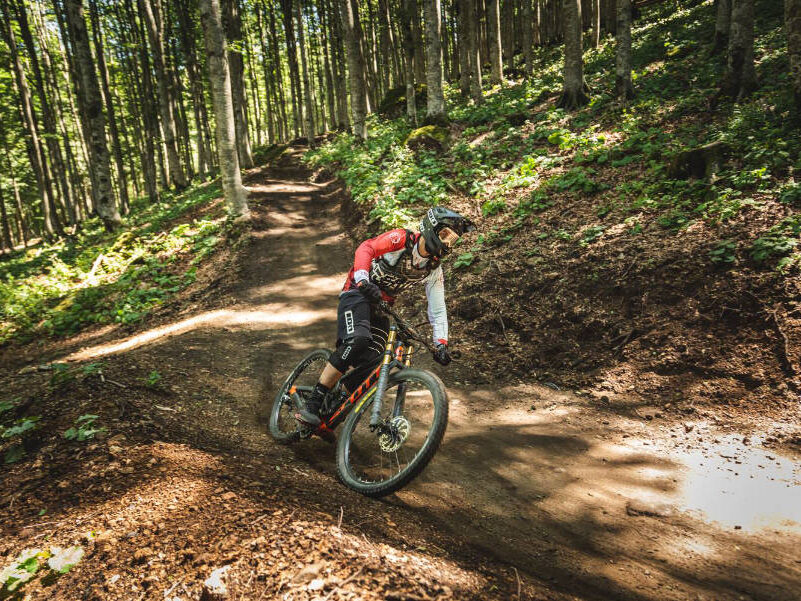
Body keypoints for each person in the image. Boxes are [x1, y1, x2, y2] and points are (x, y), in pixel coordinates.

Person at [295, 207, 475, 427]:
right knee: (358, 339)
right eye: (445, 235)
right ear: (432, 228)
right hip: (356, 292)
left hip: (381, 307)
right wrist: (363, 279)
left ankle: (337, 400)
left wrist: (441, 343)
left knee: (379, 362)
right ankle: (313, 402)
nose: (447, 243)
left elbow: (437, 308)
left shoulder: (433, 269)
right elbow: (367, 247)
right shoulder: (402, 239)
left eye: (453, 240)